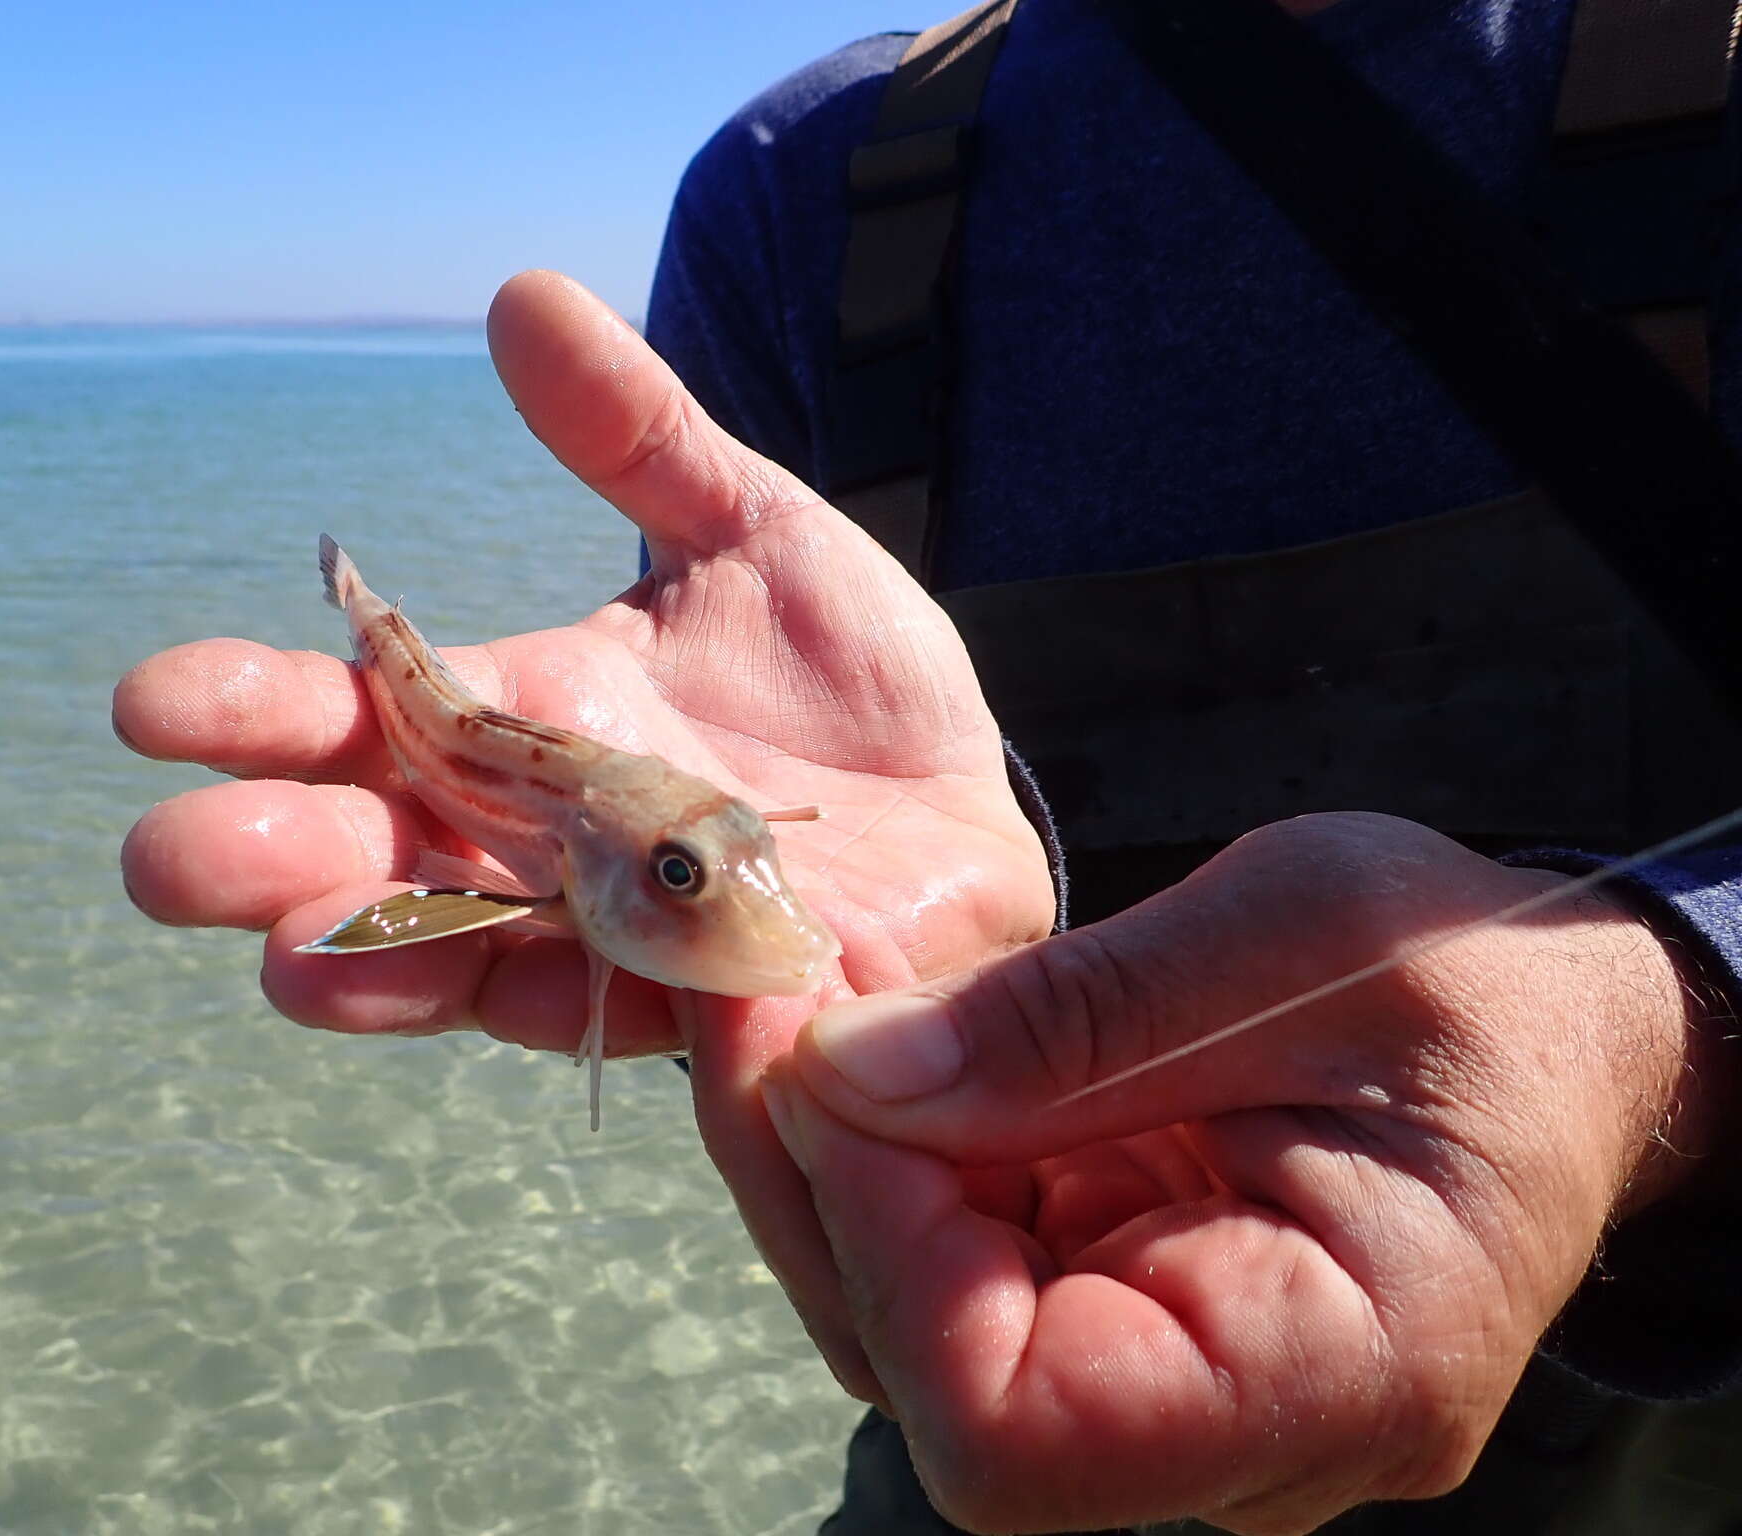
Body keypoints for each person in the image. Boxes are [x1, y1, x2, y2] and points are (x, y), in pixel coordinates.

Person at [114, 5, 1742, 1534]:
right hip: (1005, 1297)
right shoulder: (813, 190)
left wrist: (1663, 1035)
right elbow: (735, 859)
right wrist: (830, 1051)